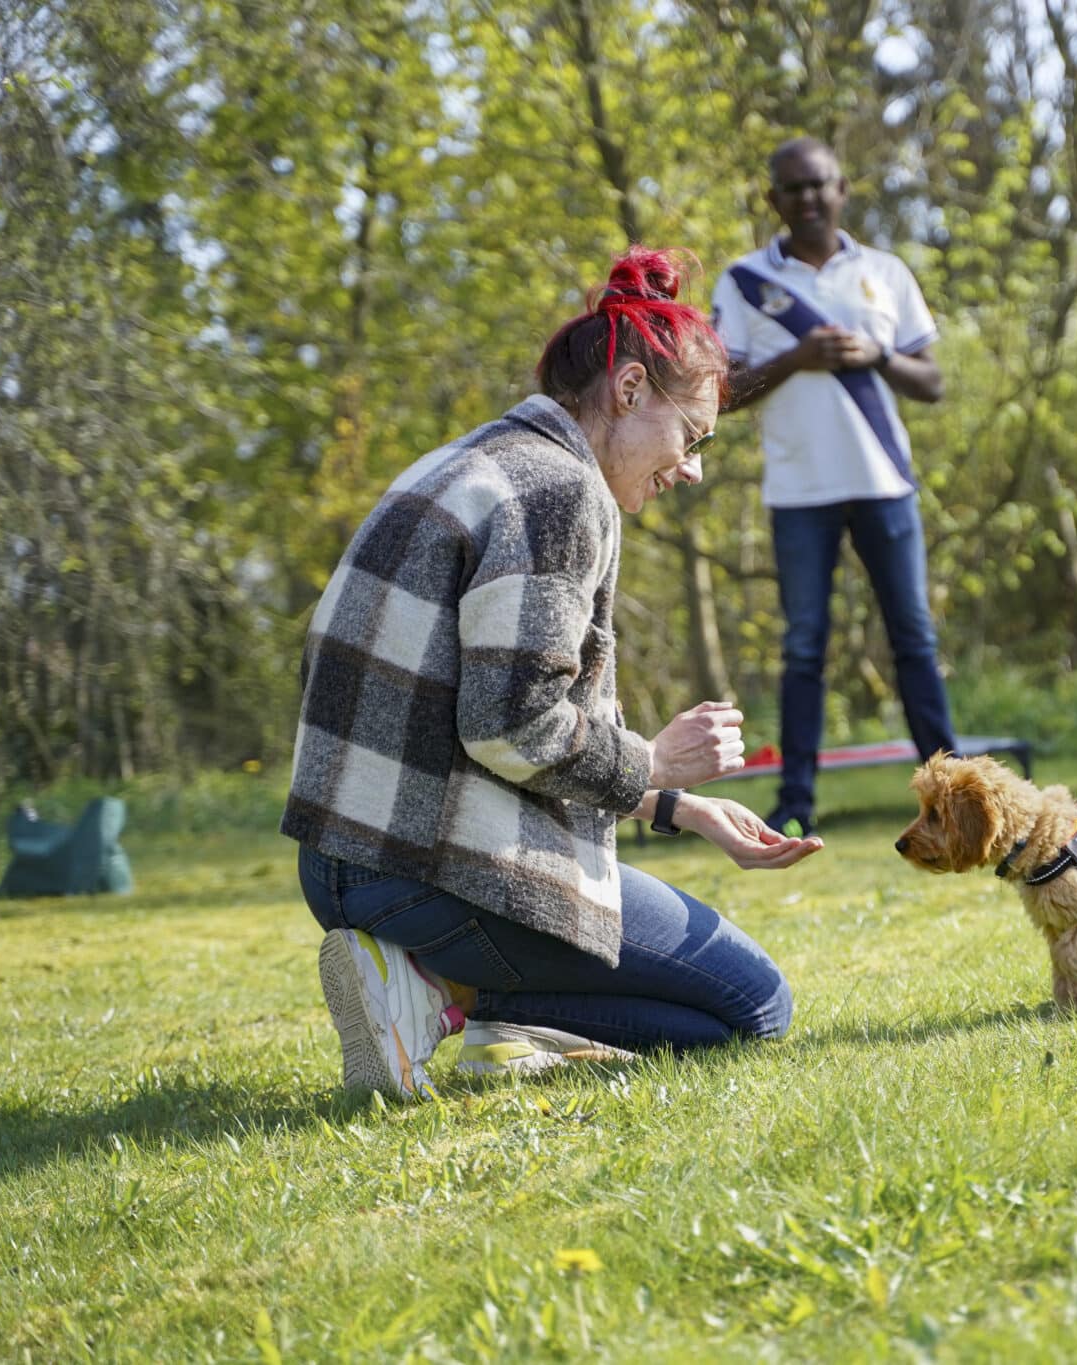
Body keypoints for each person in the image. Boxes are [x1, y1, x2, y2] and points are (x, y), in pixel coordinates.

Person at [282, 246, 824, 1100]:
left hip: (342, 862)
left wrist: (677, 806)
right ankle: (441, 998)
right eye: (692, 436)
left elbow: (464, 720)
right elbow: (511, 726)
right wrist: (652, 761)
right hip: (421, 875)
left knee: (718, 1006)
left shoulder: (469, 460)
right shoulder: (562, 491)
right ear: (631, 388)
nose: (691, 467)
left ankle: (476, 1009)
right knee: (754, 1009)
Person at [712, 136, 958, 838]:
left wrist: (877, 354)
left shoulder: (884, 271)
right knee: (803, 648)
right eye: (792, 189)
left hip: (886, 485)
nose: (808, 199)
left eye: (819, 185)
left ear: (843, 188)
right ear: (773, 201)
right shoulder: (743, 280)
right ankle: (796, 799)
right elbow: (723, 392)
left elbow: (933, 382)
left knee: (913, 637)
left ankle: (952, 789)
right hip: (798, 493)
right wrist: (796, 357)